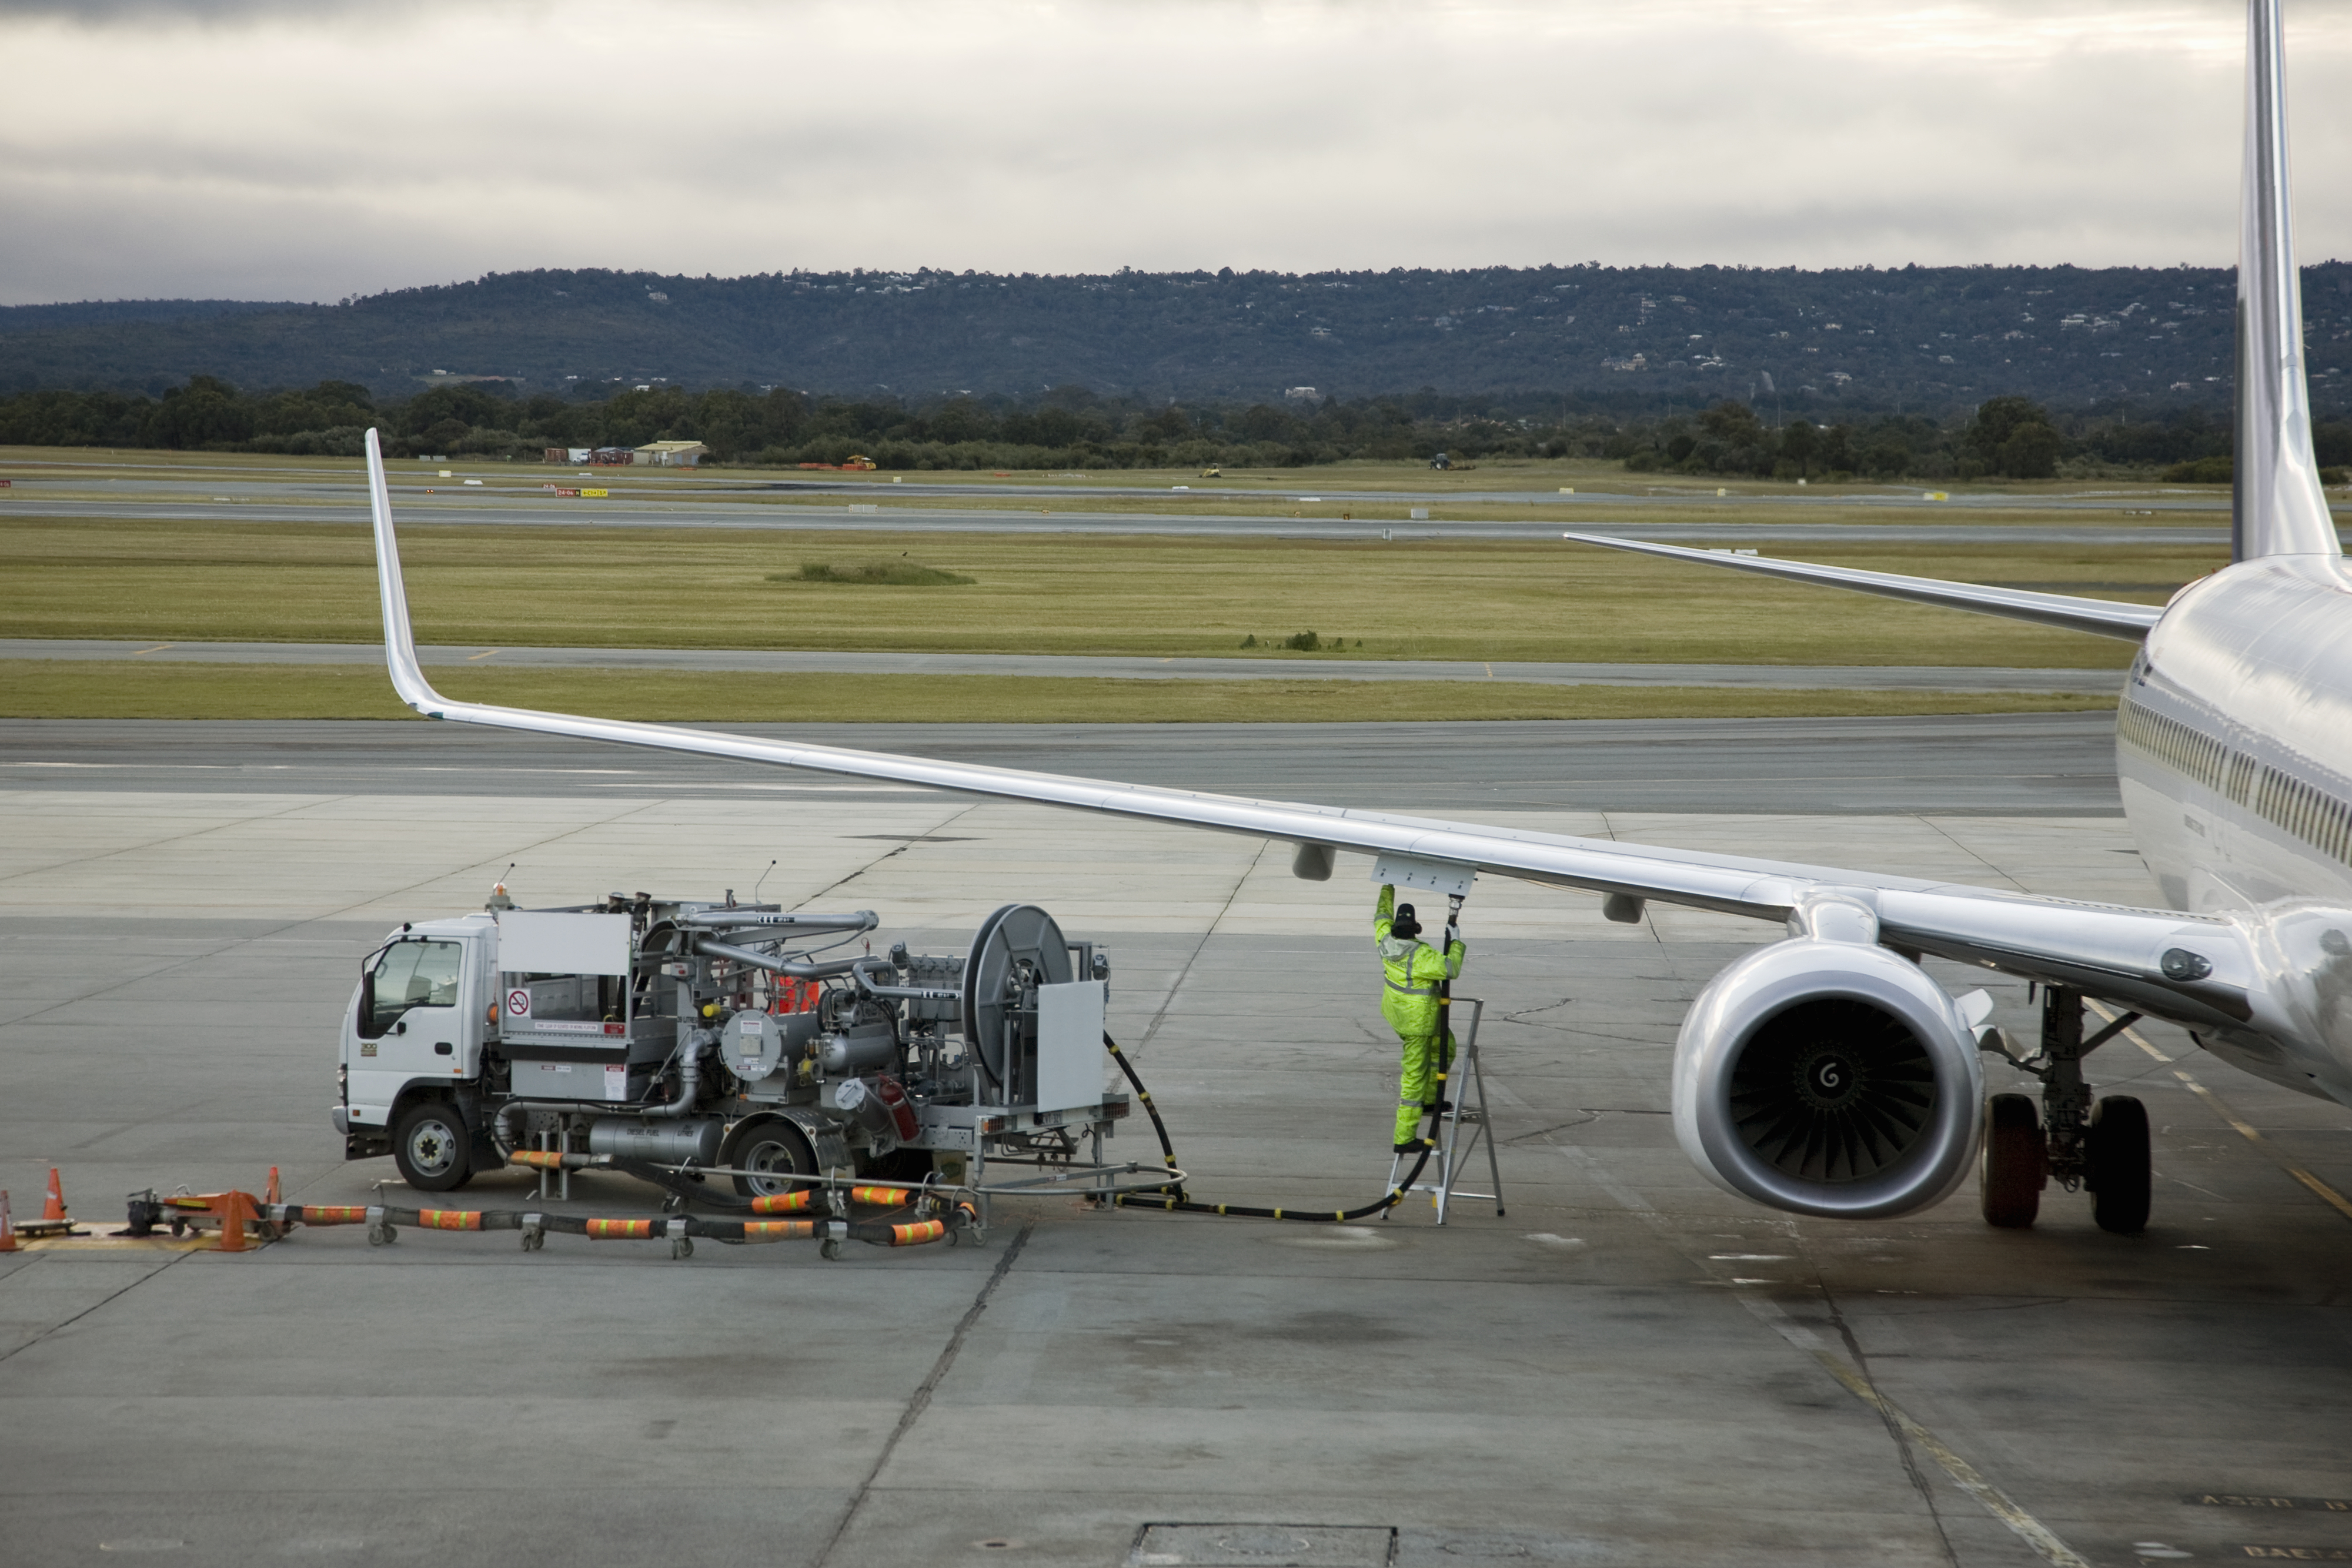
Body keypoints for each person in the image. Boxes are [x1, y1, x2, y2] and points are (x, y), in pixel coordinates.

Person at [1374, 884, 1466, 1153]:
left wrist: (1388, 885)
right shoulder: (1421, 954)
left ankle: (1429, 1100)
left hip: (1401, 1015)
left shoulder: (1384, 941)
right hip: (1418, 1024)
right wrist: (1456, 941)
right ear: (1415, 930)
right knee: (1414, 1075)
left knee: (1445, 1047)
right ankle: (1403, 1137)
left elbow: (1381, 916)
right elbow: (1451, 968)